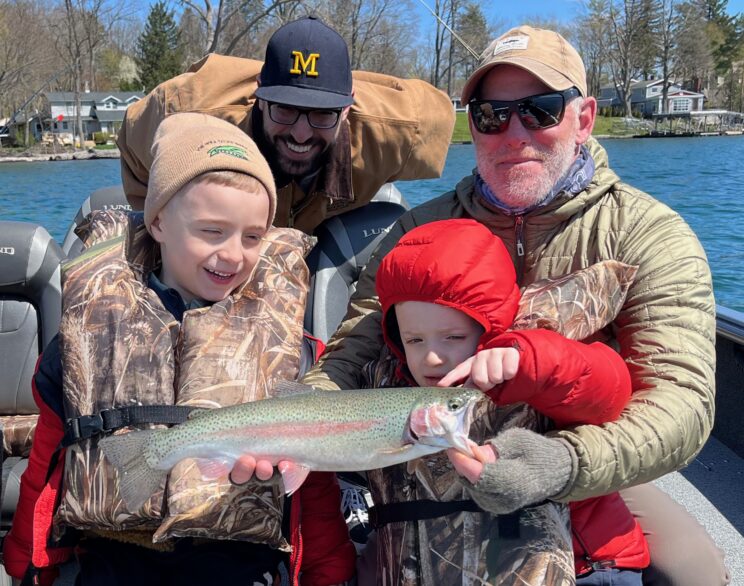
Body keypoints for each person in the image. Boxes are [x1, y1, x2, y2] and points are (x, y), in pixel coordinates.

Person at [293, 24, 728, 586]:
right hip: (434, 453)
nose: (513, 132)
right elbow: (351, 355)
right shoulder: (419, 229)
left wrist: (564, 463)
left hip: (587, 460)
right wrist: (292, 427)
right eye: (490, 114)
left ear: (585, 117)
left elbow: (681, 403)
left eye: (540, 110)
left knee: (698, 573)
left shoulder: (648, 234)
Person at [2, 113, 355, 586]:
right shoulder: (85, 331)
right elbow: (50, 455)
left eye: (253, 237)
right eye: (212, 231)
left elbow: (313, 484)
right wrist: (29, 561)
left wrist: (329, 571)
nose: (233, 254)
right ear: (159, 222)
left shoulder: (293, 348)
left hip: (237, 563)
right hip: (115, 559)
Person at [364, 218, 648, 584]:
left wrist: (531, 362)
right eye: (414, 340)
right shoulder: (390, 382)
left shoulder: (531, 369)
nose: (432, 358)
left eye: (452, 337)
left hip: (588, 562)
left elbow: (609, 393)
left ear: (488, 330)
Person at [116, 15, 454, 235]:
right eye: (285, 110)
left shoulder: (400, 130)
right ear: (260, 96)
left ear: (348, 106)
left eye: (322, 114)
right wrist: (165, 223)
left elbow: (450, 117)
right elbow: (132, 141)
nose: (301, 134)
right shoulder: (189, 113)